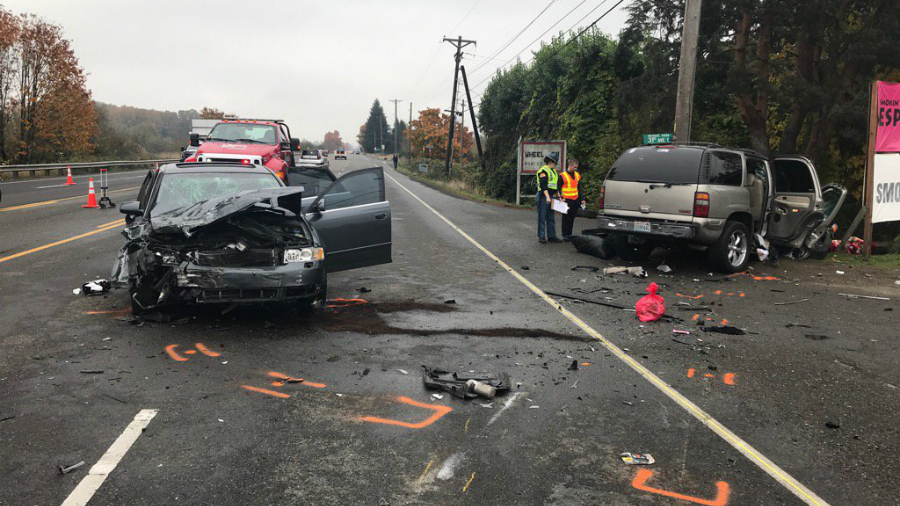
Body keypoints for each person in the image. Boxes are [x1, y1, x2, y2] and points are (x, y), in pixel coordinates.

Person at [536, 153, 562, 243]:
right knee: (542, 217)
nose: (555, 165)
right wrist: (547, 197)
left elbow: (555, 187)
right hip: (544, 196)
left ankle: (552, 236)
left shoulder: (554, 171)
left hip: (551, 196)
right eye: (555, 163)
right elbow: (543, 186)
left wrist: (559, 197)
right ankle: (541, 236)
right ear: (551, 162)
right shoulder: (543, 171)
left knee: (551, 217)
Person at [559, 157, 585, 241]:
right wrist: (560, 198)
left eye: (576, 167)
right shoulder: (562, 175)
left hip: (575, 199)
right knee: (565, 218)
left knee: (572, 218)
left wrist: (582, 199)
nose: (576, 169)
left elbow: (579, 188)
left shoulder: (577, 175)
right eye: (574, 167)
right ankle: (564, 234)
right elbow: (558, 188)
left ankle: (569, 234)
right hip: (566, 200)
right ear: (570, 165)